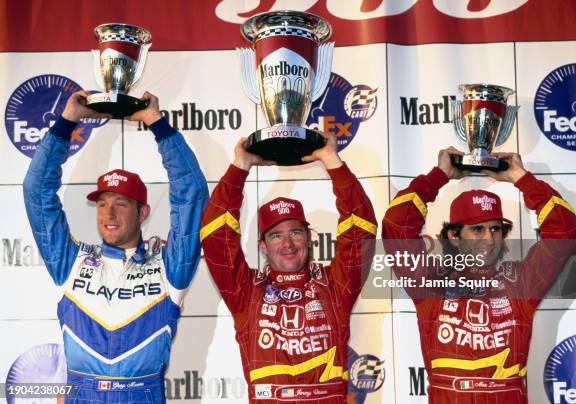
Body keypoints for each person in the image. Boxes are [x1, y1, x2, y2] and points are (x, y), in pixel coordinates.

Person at [23, 91, 208, 403]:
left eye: (121, 205)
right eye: (102, 204)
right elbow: (36, 192)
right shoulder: (71, 261)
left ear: (143, 212)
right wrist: (67, 121)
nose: (108, 214)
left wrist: (157, 124)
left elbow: (191, 193)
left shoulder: (168, 267)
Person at [382, 147, 576, 403]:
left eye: (495, 229)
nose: (489, 239)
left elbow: (564, 230)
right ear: (454, 235)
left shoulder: (520, 282)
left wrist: (521, 177)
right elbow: (396, 226)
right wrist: (438, 175)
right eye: (477, 230)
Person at [200, 134, 377, 403]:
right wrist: (240, 166)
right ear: (262, 245)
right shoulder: (246, 292)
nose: (288, 244)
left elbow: (360, 227)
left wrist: (332, 161)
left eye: (295, 232)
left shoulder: (334, 286)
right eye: (275, 236)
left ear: (308, 238)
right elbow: (216, 236)